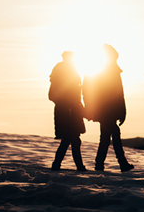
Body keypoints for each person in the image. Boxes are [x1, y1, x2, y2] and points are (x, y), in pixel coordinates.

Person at [82, 44, 134, 172]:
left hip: (111, 111)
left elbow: (119, 94)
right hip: (103, 111)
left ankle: (99, 164)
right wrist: (91, 109)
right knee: (114, 133)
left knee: (105, 138)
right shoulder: (99, 71)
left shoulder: (114, 71)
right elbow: (88, 90)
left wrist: (122, 112)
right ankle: (122, 163)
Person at [48, 51, 86, 171]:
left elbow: (76, 94)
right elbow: (53, 95)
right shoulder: (61, 74)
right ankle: (78, 166)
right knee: (72, 139)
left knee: (70, 140)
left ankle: (58, 164)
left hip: (73, 111)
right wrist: (67, 105)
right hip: (66, 112)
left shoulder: (72, 72)